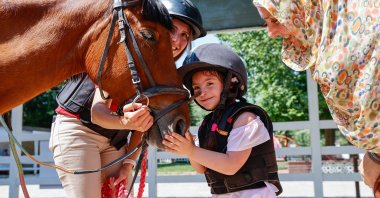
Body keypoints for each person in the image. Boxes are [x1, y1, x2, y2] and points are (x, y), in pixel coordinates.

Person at [50, 0, 206, 197]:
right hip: (79, 130)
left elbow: (144, 126)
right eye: (173, 30)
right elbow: (98, 112)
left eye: (185, 35)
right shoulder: (125, 56)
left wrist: (128, 164)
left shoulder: (164, 78)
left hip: (114, 141)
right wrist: (125, 122)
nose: (177, 40)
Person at [251, 0, 380, 195]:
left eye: (275, 20)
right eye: (266, 23)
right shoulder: (338, 32)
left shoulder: (365, 37)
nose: (271, 33)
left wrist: (376, 157)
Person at [162, 43, 282, 197]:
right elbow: (201, 168)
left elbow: (231, 165)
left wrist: (191, 150)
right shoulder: (207, 125)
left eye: (210, 83)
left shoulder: (245, 119)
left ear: (230, 82)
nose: (202, 93)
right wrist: (188, 148)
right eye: (196, 88)